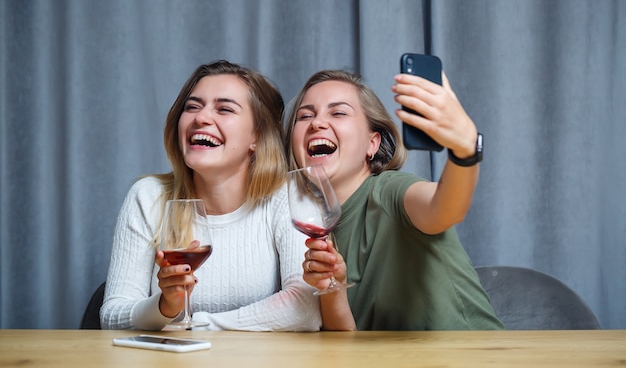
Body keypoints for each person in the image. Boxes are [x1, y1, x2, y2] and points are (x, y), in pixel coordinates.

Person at [100, 60, 321, 331]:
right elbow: (111, 315)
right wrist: (165, 305)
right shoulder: (147, 197)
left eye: (224, 109)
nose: (200, 118)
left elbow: (305, 308)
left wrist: (202, 325)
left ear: (258, 136)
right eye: (192, 107)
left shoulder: (289, 197)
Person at [284, 69, 504, 331]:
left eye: (338, 112)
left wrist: (465, 152)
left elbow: (445, 208)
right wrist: (334, 288)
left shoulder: (391, 191)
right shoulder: (310, 226)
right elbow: (345, 346)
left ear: (372, 144)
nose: (316, 123)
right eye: (305, 116)